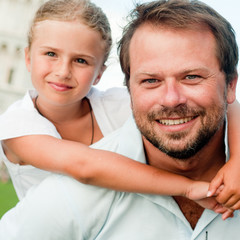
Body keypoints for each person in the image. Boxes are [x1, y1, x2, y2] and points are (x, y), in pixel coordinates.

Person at [1, 0, 240, 239]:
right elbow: (85, 167)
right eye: (51, 54)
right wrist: (187, 188)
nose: (63, 71)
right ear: (28, 58)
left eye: (191, 76)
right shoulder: (17, 124)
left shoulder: (116, 103)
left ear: (100, 74)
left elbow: (226, 104)